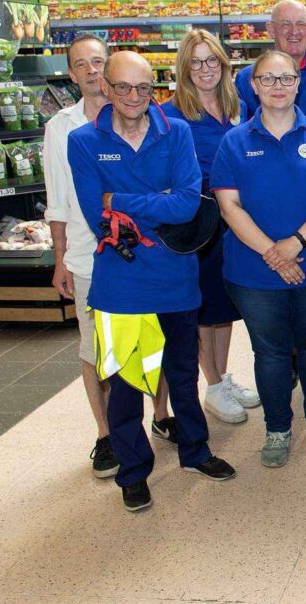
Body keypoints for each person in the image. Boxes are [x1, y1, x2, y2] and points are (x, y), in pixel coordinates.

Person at [68, 51, 236, 512]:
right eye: (123, 87)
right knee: (126, 385)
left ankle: (195, 452)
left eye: (144, 89)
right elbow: (94, 214)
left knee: (182, 374)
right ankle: (133, 471)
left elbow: (186, 205)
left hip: (177, 279)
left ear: (154, 90)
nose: (133, 97)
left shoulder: (175, 130)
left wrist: (120, 200)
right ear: (106, 86)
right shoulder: (83, 141)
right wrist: (151, 202)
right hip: (121, 285)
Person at [211, 50, 306, 468]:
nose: (277, 86)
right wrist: (273, 253)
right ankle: (277, 427)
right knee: (269, 352)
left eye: (286, 79)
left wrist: (295, 243)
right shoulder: (234, 142)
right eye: (267, 79)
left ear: (298, 84)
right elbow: (229, 206)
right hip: (254, 271)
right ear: (253, 86)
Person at [44, 34, 175, 478]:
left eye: (98, 61)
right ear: (72, 73)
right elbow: (60, 199)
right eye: (81, 65)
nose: (92, 71)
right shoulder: (64, 128)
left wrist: (122, 199)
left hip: (149, 254)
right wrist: (60, 257)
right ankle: (106, 436)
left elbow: (175, 198)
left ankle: (160, 415)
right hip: (92, 256)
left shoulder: (153, 124)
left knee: (152, 344)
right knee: (101, 353)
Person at [162, 29, 260, 425]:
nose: (205, 69)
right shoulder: (170, 114)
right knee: (202, 306)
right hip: (198, 223)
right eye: (196, 62)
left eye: (212, 61)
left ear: (224, 64)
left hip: (235, 220)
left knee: (223, 304)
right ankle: (213, 383)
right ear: (184, 68)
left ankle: (223, 379)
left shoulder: (238, 105)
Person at [234, 0, 306, 120]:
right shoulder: (246, 78)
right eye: (285, 24)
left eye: (301, 24)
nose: (294, 31)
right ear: (271, 30)